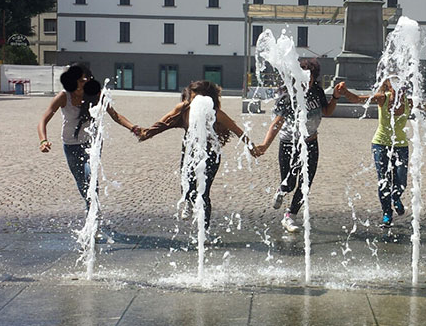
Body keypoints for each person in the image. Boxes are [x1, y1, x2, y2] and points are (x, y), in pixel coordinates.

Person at [338, 78, 426, 228]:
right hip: (380, 144)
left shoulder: (408, 102)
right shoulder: (383, 98)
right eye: (396, 85)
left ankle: (396, 197)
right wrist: (344, 92)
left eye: (403, 85)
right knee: (384, 180)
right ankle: (387, 213)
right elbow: (357, 99)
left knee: (401, 181)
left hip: (401, 146)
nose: (401, 88)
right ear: (389, 86)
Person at [139, 80, 255, 229]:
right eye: (193, 99)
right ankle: (188, 201)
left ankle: (204, 230)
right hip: (189, 151)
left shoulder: (216, 113)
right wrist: (146, 133)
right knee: (186, 183)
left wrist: (252, 147)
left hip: (211, 154)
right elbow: (163, 122)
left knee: (204, 193)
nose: (196, 103)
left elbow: (238, 131)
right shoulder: (184, 108)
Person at [253, 59, 342, 233]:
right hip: (288, 144)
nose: (306, 81)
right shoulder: (289, 96)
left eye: (310, 77)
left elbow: (327, 111)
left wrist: (336, 97)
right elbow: (277, 123)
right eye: (303, 77)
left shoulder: (317, 91)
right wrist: (265, 145)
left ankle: (290, 216)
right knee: (290, 182)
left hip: (311, 143)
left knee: (305, 184)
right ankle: (281, 189)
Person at [37, 65, 142, 212]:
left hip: (91, 143)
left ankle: (93, 214)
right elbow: (43, 120)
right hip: (70, 145)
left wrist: (133, 128)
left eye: (86, 80)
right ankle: (91, 208)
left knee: (90, 176)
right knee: (81, 183)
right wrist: (43, 141)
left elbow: (115, 115)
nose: (83, 83)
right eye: (80, 80)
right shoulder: (63, 97)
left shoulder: (97, 95)